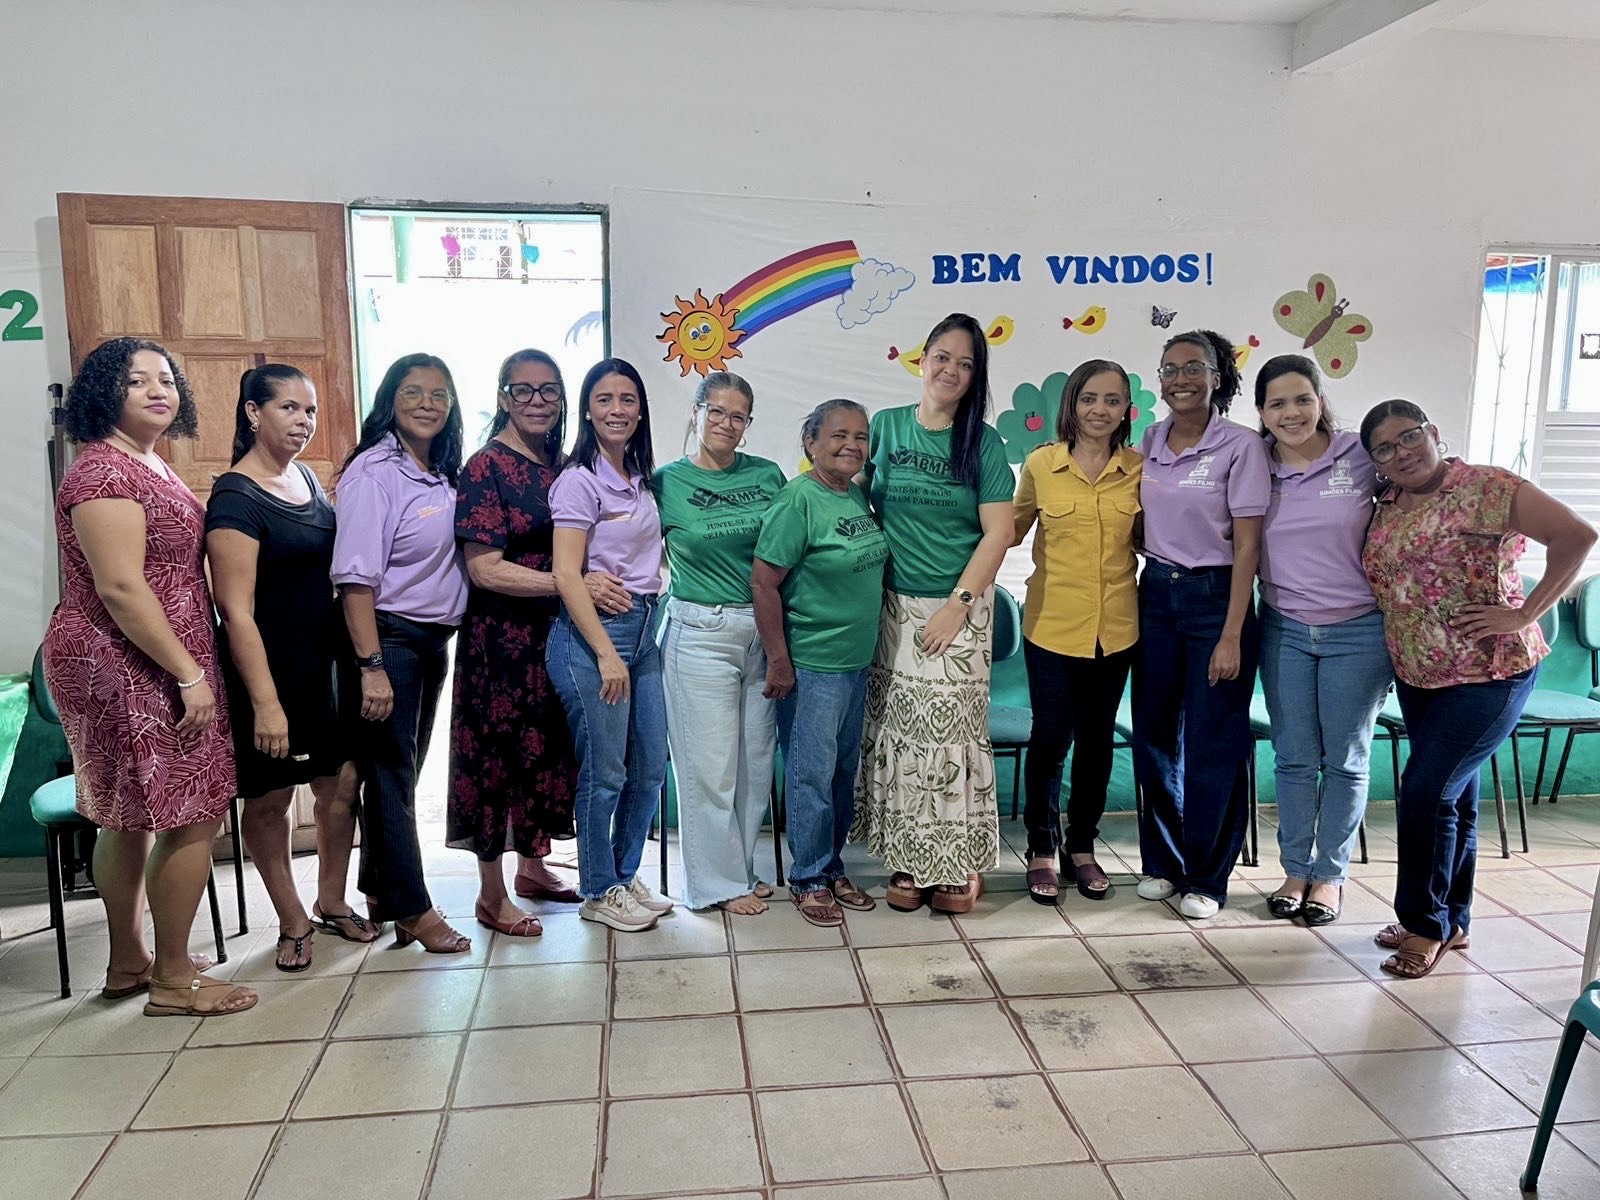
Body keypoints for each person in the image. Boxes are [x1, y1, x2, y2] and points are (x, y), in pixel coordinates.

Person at [43, 337, 255, 1017]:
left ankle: (130, 961)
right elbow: (121, 588)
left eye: (166, 379)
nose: (159, 390)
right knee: (192, 813)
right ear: (104, 391)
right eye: (138, 381)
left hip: (147, 656)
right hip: (129, 662)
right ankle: (171, 979)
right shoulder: (103, 472)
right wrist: (189, 673)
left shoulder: (146, 462)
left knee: (129, 814)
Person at [1360, 399, 1594, 977]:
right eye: (1384, 449)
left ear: (1433, 432)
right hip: (1419, 674)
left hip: (1490, 672)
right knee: (1454, 797)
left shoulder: (1487, 486)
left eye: (1408, 437)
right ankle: (1452, 920)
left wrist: (1526, 613)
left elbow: (1576, 535)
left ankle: (1423, 925)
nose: (1400, 453)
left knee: (1424, 792)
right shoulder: (1386, 503)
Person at [207, 365, 375, 973]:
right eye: (289, 408)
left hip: (324, 666)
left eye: (310, 411)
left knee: (341, 785)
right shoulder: (235, 495)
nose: (303, 421)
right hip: (270, 674)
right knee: (270, 799)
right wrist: (266, 703)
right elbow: (235, 611)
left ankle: (332, 900)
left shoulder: (303, 477)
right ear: (253, 412)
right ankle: (292, 918)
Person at [853, 313, 1016, 915]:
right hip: (891, 606)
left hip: (961, 608)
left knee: (949, 738)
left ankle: (956, 863)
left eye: (965, 364)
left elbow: (999, 533)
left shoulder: (985, 443)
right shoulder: (885, 427)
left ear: (975, 377)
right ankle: (908, 858)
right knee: (900, 735)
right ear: (922, 359)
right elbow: (852, 499)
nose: (951, 370)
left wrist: (957, 606)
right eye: (942, 356)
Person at [448, 349, 595, 939]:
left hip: (555, 635)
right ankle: (492, 895)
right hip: (500, 643)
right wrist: (569, 583)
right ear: (503, 397)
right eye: (524, 390)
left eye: (549, 390)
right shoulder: (485, 467)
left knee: (546, 752)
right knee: (498, 760)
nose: (538, 401)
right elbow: (484, 568)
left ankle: (533, 869)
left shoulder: (562, 464)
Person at [332, 353, 471, 954]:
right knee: (391, 775)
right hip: (388, 641)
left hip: (429, 641)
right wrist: (371, 667)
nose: (427, 404)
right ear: (390, 400)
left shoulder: (435, 470)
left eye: (439, 394)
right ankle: (414, 909)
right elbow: (354, 579)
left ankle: (383, 892)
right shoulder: (374, 472)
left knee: (398, 774)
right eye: (413, 392)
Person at [1133, 329, 1271, 920]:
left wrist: (1232, 633)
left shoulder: (1241, 446)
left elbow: (1248, 548)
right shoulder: (1150, 439)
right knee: (1154, 735)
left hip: (1216, 598)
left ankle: (1208, 877)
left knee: (1214, 740)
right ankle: (1163, 863)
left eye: (1194, 367)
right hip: (1155, 595)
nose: (1180, 379)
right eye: (1170, 369)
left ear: (1218, 377)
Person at [1253, 355, 1390, 927]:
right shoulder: (1253, 462)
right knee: (1293, 757)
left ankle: (1329, 876)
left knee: (1346, 761)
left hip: (1358, 630)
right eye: (1277, 403)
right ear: (1261, 412)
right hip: (1283, 627)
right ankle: (1294, 870)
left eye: (1302, 399)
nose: (1292, 413)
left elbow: (1424, 483)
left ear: (1321, 401)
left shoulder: (1359, 454)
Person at [547, 358, 672, 933]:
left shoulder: (639, 476)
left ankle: (622, 874)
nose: (616, 410)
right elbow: (566, 573)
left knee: (650, 770)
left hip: (645, 631)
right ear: (587, 410)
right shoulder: (580, 480)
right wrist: (604, 653)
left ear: (640, 411)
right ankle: (597, 889)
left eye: (627, 399)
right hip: (596, 636)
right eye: (604, 399)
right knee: (605, 774)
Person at [753, 400, 889, 927]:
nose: (851, 444)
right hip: (813, 665)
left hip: (856, 663)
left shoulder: (852, 494)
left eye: (861, 436)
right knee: (810, 775)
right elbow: (764, 584)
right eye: (838, 435)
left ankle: (831, 867)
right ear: (811, 443)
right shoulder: (798, 500)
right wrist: (779, 661)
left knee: (841, 772)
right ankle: (808, 877)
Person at [656, 372, 787, 914]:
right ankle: (715, 886)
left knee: (754, 765)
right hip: (699, 634)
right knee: (709, 768)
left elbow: (787, 548)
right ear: (696, 412)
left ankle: (740, 870)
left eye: (738, 416)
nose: (726, 424)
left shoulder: (767, 475)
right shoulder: (666, 482)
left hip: (763, 632)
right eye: (716, 412)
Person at [1012, 359, 1141, 904]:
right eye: (1089, 398)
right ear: (1072, 404)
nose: (1100, 410)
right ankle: (1041, 848)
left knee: (1096, 741)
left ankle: (1081, 846)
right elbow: (1008, 530)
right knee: (1050, 739)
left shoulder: (1139, 468)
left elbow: (1157, 536)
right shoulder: (1042, 464)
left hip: (1117, 629)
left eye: (1112, 400)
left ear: (1126, 409)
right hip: (1052, 627)